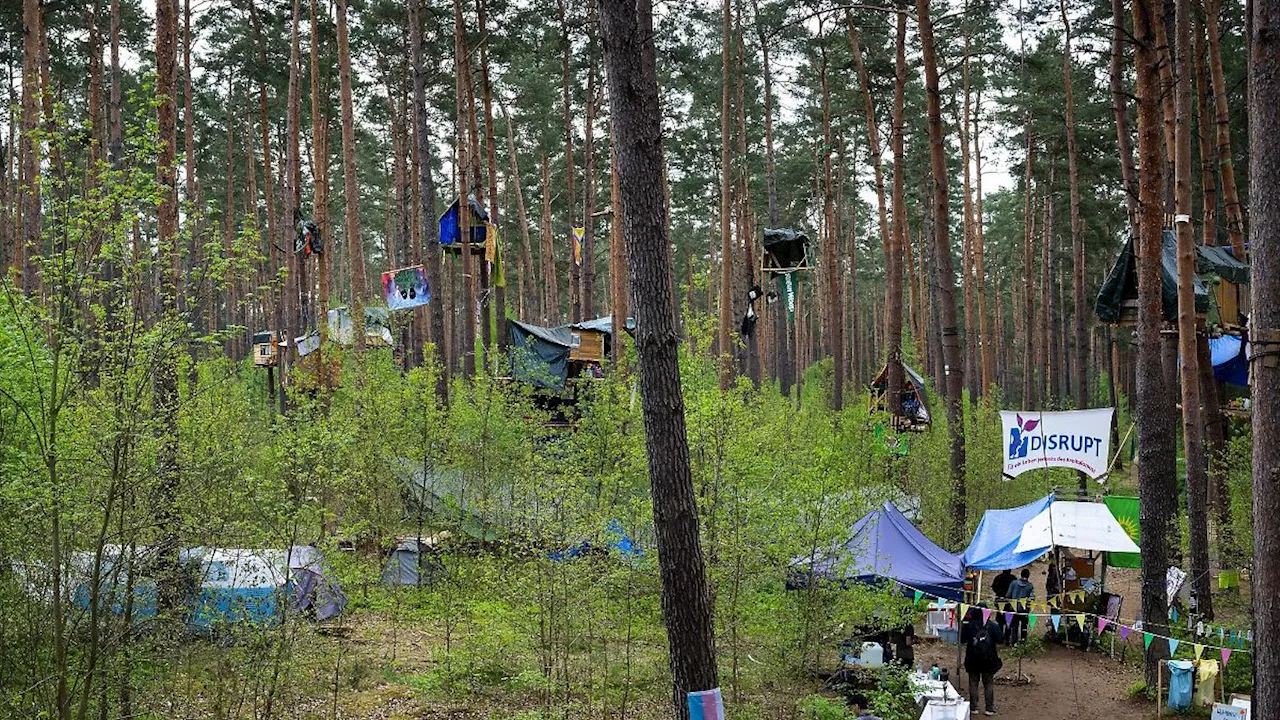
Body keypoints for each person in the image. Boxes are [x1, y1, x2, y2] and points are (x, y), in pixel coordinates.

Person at [962, 605, 1004, 716]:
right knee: (988, 683)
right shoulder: (992, 625)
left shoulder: (969, 625)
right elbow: (1001, 639)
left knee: (973, 682)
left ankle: (973, 708)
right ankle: (989, 708)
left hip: (972, 658)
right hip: (989, 659)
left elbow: (962, 639)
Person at [1007, 569, 1036, 644]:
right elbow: (1032, 598)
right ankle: (1023, 641)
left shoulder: (1013, 583)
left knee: (1014, 627)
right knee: (1024, 627)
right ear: (1028, 576)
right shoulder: (1030, 586)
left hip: (1014, 608)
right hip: (1024, 610)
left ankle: (1014, 643)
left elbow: (1008, 595)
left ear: (1021, 574)